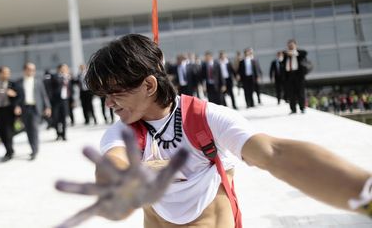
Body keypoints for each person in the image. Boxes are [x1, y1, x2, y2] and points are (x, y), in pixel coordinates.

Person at [54, 34, 372, 228]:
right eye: (103, 96)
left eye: (115, 93)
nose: (108, 103)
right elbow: (115, 169)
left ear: (149, 84)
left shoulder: (208, 117)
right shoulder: (122, 132)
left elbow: (274, 153)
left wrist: (363, 193)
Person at [15, 62, 52, 160]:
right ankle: (33, 148)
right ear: (25, 70)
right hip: (25, 108)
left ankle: (35, 150)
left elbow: (44, 95)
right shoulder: (19, 82)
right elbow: (17, 97)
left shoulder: (38, 81)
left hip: (35, 108)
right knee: (28, 130)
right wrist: (17, 106)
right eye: (30, 69)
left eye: (33, 70)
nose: (32, 71)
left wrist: (47, 107)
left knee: (34, 129)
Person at [282, 39, 308, 114]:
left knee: (300, 92)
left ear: (295, 45)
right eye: (289, 45)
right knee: (291, 93)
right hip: (289, 76)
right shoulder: (285, 54)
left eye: (292, 45)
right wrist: (287, 53)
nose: (290, 46)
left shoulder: (299, 53)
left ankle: (302, 108)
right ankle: (293, 109)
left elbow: (305, 53)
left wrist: (294, 52)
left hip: (298, 75)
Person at [52, 63, 73, 140]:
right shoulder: (55, 76)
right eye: (64, 68)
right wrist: (64, 77)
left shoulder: (68, 77)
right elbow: (57, 83)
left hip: (65, 100)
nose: (65, 70)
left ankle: (64, 135)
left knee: (64, 118)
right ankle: (58, 134)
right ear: (59, 69)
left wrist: (72, 100)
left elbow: (71, 88)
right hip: (56, 101)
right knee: (56, 118)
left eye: (66, 68)